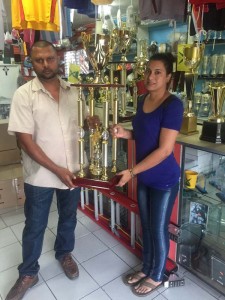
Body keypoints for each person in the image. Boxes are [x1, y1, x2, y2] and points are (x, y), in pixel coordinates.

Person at [6, 40, 97, 300]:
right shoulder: (24, 95)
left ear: (58, 58)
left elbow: (83, 126)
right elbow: (25, 140)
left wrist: (92, 123)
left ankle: (64, 253)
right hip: (41, 175)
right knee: (35, 225)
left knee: (68, 218)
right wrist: (56, 169)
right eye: (39, 60)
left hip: (73, 171)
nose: (45, 65)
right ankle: (28, 272)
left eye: (50, 59)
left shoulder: (75, 91)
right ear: (31, 62)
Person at [111, 53, 184, 297]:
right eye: (148, 71)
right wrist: (125, 133)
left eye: (157, 72)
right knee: (147, 227)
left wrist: (131, 171)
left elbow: (164, 150)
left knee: (158, 228)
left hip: (163, 179)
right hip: (144, 176)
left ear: (168, 78)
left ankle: (157, 274)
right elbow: (141, 135)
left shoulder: (173, 105)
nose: (150, 77)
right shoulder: (142, 99)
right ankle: (148, 267)